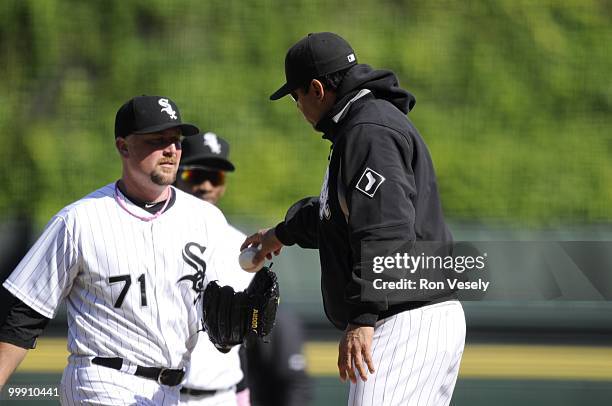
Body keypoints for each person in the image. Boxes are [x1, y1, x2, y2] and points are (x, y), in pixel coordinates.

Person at [242, 32, 466, 406]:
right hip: (413, 314)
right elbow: (335, 214)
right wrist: (279, 234)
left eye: (296, 96)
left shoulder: (368, 130)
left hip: (405, 317)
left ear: (316, 89)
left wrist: (363, 317)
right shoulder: (362, 125)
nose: (298, 107)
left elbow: (384, 227)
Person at [0, 95, 237, 405]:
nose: (171, 150)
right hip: (102, 381)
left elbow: (218, 314)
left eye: (176, 141)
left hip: (171, 391)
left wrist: (240, 318)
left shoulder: (205, 219)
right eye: (157, 139)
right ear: (123, 146)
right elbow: (22, 316)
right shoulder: (79, 220)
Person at [176, 133, 312, 406]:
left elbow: (252, 337)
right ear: (176, 175)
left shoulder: (239, 247)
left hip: (224, 394)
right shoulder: (150, 236)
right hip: (162, 392)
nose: (205, 185)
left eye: (216, 178)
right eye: (195, 175)